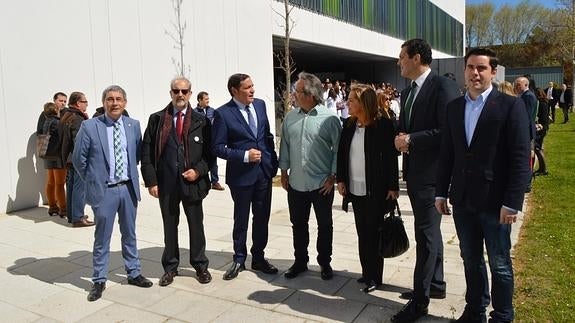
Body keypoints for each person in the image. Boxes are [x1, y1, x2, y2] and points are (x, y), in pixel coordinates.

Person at [435, 47, 531, 323]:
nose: (475, 73)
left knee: (500, 263)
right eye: (470, 68)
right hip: (463, 200)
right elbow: (448, 154)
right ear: (464, 70)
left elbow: (519, 156)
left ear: (492, 71)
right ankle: (475, 309)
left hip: (496, 203)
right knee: (470, 259)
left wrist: (513, 201)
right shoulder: (454, 107)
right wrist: (441, 191)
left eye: (481, 68)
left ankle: (502, 315)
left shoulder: (510, 106)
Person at [392, 38, 460, 323]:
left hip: (433, 178)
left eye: (402, 57)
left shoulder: (442, 86)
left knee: (426, 237)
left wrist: (411, 140)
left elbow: (449, 131)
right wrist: (399, 137)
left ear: (417, 57)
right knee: (430, 235)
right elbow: (404, 128)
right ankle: (436, 285)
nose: (398, 63)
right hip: (415, 176)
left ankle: (419, 303)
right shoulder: (407, 92)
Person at [72, 85, 153, 302]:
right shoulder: (90, 126)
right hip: (104, 191)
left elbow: (136, 154)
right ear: (104, 102)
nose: (114, 103)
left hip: (127, 188)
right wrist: (93, 181)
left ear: (125, 102)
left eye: (118, 99)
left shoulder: (133, 125)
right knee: (102, 237)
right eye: (110, 99)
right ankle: (99, 279)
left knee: (130, 233)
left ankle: (134, 272)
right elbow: (79, 159)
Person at [141, 77, 213, 286]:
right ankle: (170, 267)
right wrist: (151, 181)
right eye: (176, 91)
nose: (180, 95)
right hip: (167, 184)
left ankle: (200, 265)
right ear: (170, 93)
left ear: (190, 93)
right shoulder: (157, 119)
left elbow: (210, 155)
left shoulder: (201, 120)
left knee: (196, 226)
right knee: (169, 226)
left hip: (192, 184)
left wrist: (198, 172)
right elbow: (146, 153)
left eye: (184, 91)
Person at [212, 73, 279, 280]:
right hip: (241, 176)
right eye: (247, 87)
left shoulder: (259, 105)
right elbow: (217, 147)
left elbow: (267, 135)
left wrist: (272, 161)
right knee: (241, 219)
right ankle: (239, 258)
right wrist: (244, 156)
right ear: (234, 91)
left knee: (262, 217)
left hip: (264, 174)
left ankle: (258, 257)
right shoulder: (223, 114)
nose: (252, 90)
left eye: (253, 86)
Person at [279, 72, 341, 281]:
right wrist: (284, 172)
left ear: (311, 94)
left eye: (296, 91)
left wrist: (332, 176)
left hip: (321, 184)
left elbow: (338, 150)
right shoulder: (290, 118)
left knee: (325, 225)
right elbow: (285, 146)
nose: (293, 95)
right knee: (298, 224)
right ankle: (300, 261)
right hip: (296, 183)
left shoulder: (330, 118)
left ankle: (325, 262)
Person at [336, 84, 399, 293]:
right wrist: (341, 180)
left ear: (364, 104)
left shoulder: (382, 126)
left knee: (374, 233)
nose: (348, 103)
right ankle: (366, 272)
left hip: (376, 189)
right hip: (355, 188)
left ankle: (375, 276)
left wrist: (392, 185)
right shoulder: (349, 125)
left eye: (352, 100)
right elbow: (342, 154)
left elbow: (391, 158)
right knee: (362, 233)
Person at [60, 91, 93, 227]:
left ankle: (73, 215)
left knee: (72, 187)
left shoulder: (66, 116)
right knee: (80, 188)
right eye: (85, 102)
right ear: (78, 103)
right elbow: (79, 141)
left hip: (68, 158)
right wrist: (83, 158)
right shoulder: (77, 118)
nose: (87, 104)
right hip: (77, 158)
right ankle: (78, 218)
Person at [39, 102, 67, 218]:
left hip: (47, 156)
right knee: (60, 184)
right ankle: (63, 209)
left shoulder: (46, 122)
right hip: (57, 156)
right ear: (55, 110)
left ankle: (52, 207)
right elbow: (63, 138)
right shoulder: (57, 122)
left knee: (51, 182)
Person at [195, 91, 224, 191]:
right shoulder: (194, 112)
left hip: (212, 141)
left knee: (213, 163)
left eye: (208, 99)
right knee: (200, 162)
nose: (208, 101)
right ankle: (201, 181)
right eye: (206, 99)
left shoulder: (212, 111)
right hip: (200, 143)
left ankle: (215, 182)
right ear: (200, 100)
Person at [534, 88, 550, 176]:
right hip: (543, 127)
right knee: (539, 149)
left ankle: (543, 169)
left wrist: (539, 125)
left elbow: (543, 118)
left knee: (538, 149)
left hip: (541, 128)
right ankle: (542, 168)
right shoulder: (543, 102)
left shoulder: (542, 104)